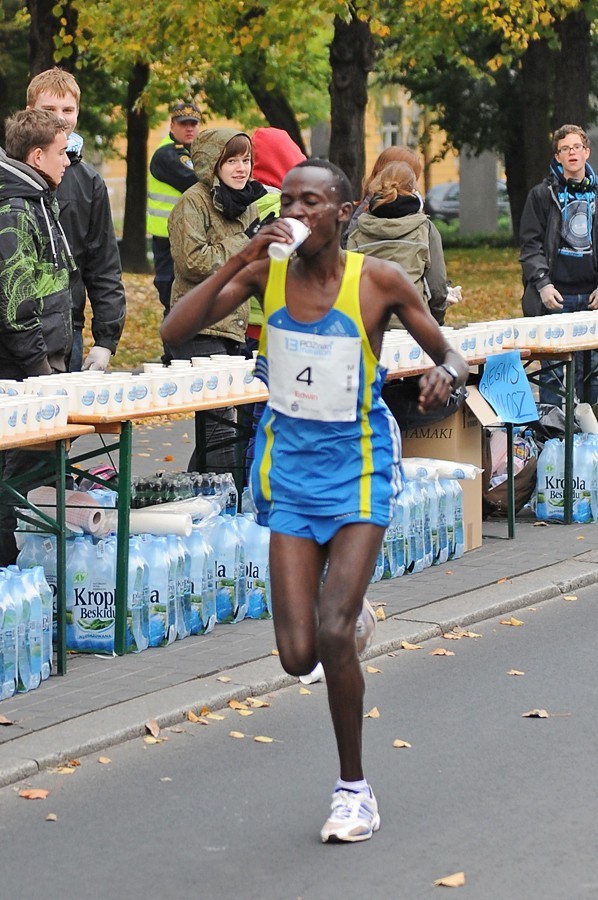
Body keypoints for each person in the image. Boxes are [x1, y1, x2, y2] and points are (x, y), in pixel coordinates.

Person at [161, 159, 468, 843]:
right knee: (299, 656)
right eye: (286, 200)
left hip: (358, 469)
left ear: (344, 212)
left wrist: (445, 377)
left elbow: (451, 354)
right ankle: (349, 627)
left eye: (311, 202)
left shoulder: (376, 282)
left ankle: (354, 791)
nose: (294, 212)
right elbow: (176, 330)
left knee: (330, 630)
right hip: (289, 474)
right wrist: (242, 253)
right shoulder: (264, 271)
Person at [167, 127, 266, 473]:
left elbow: (252, 264)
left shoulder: (246, 204)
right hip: (198, 329)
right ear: (213, 165)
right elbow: (193, 260)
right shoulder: (192, 202)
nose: (242, 168)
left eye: (247, 160)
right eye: (232, 161)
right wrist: (247, 246)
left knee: (234, 429)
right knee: (219, 427)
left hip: (233, 328)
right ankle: (223, 508)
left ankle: (199, 495)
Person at [0, 108, 74, 565]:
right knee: (16, 480)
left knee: (30, 476)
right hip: (23, 371)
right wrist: (40, 370)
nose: (68, 162)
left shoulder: (38, 200)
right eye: (62, 154)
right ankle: (11, 573)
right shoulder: (15, 209)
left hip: (39, 365)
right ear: (37, 155)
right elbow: (15, 304)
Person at [27, 67, 126, 372]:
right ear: (30, 112)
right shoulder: (10, 173)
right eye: (49, 109)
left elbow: (103, 266)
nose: (60, 118)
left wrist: (106, 340)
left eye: (68, 109)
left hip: (67, 331)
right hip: (13, 331)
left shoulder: (88, 181)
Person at [520, 124, 598, 407]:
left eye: (576, 147)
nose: (572, 153)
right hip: (556, 299)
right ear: (558, 157)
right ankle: (554, 440)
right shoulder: (541, 195)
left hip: (592, 300)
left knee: (593, 376)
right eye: (565, 149)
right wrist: (542, 283)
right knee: (554, 376)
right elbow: (530, 245)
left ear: (586, 152)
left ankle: (591, 443)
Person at [344, 146, 449, 325]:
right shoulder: (424, 227)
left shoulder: (359, 225)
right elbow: (437, 288)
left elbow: (348, 280)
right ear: (413, 186)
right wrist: (434, 320)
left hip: (367, 323)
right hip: (413, 324)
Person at [146, 101, 200, 362]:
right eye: (183, 124)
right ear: (172, 126)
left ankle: (179, 355)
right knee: (172, 297)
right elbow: (195, 181)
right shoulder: (169, 154)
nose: (189, 129)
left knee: (184, 298)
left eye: (194, 124)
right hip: (168, 239)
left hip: (183, 238)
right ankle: (173, 357)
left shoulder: (191, 152)